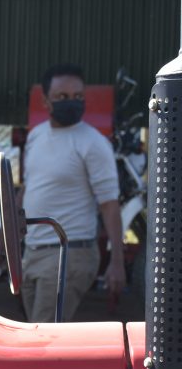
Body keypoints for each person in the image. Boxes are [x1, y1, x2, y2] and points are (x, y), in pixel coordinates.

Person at [18, 63, 125, 322]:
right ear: (46, 100)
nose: (72, 103)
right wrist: (5, 232)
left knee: (41, 343)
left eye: (78, 97)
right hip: (32, 253)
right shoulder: (36, 136)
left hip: (68, 254)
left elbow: (109, 204)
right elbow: (28, 187)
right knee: (33, 336)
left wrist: (117, 262)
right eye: (62, 97)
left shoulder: (93, 143)